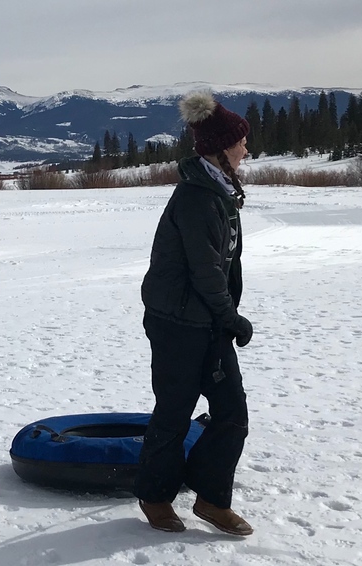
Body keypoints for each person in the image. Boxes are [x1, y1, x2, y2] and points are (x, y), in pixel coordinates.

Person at [135, 91, 254, 536]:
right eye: (241, 142)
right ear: (220, 149)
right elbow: (206, 273)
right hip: (178, 322)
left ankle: (210, 498)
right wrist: (232, 318)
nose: (247, 149)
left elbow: (223, 267)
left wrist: (225, 316)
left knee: (232, 413)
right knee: (175, 410)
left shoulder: (219, 191)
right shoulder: (196, 198)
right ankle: (155, 496)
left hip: (208, 320)